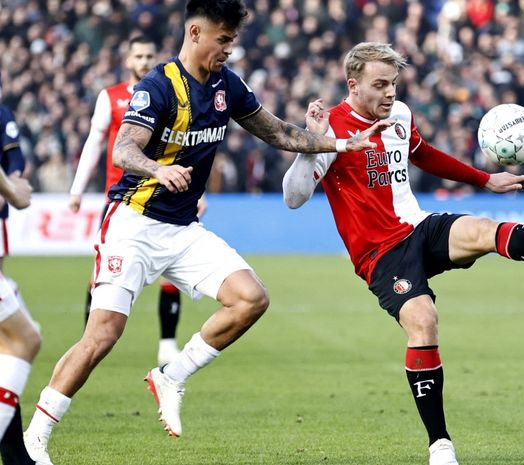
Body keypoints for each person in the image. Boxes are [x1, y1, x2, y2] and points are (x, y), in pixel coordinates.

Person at [23, 2, 389, 464]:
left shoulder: (227, 86)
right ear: (195, 33)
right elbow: (123, 149)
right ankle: (36, 434)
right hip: (133, 223)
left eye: (233, 41)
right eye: (223, 40)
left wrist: (338, 142)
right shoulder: (157, 87)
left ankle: (171, 375)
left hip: (182, 228)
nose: (228, 50)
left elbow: (276, 133)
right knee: (103, 334)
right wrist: (158, 169)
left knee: (251, 298)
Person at [282, 42, 524, 465]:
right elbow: (294, 198)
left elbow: (422, 154)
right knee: (424, 321)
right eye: (380, 85)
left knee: (482, 230)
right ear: (353, 85)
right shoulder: (330, 129)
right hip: (380, 254)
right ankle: (440, 445)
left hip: (418, 225)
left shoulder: (400, 114)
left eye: (394, 84)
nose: (390, 93)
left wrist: (485, 180)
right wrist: (311, 146)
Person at [67, 35, 192, 366]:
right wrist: (77, 189)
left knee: (170, 269)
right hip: (121, 199)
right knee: (102, 275)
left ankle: (167, 343)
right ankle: (88, 343)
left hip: (165, 196)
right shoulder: (110, 98)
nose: (144, 61)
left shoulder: (169, 96)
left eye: (150, 55)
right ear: (127, 60)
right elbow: (95, 143)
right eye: (138, 55)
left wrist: (199, 192)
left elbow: (188, 147)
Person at [0, 100, 36, 465]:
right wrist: (11, 191)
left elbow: (14, 157)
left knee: (16, 339)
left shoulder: (4, 114)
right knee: (21, 338)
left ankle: (14, 454)